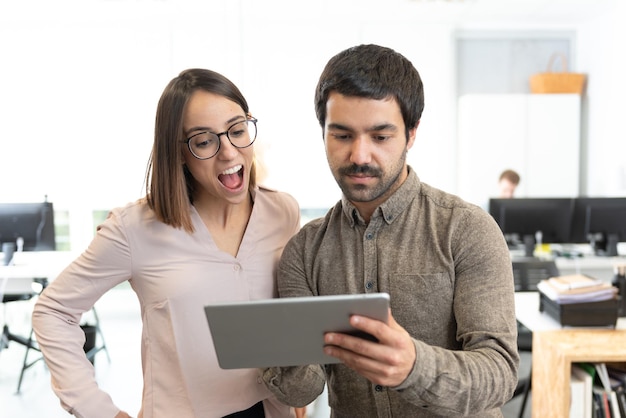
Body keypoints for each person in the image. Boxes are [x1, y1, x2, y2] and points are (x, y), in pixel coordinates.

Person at [261, 44, 519, 417]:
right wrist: (276, 353)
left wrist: (415, 365)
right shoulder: (304, 251)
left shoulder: (467, 230)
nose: (360, 155)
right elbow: (303, 389)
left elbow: (499, 374)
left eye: (380, 137)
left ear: (411, 134)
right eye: (342, 135)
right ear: (323, 133)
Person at [32, 68, 303, 418]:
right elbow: (53, 311)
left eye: (237, 131)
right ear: (178, 153)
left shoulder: (282, 212)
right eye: (205, 141)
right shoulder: (134, 229)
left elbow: (288, 315)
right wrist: (97, 410)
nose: (229, 153)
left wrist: (299, 398)